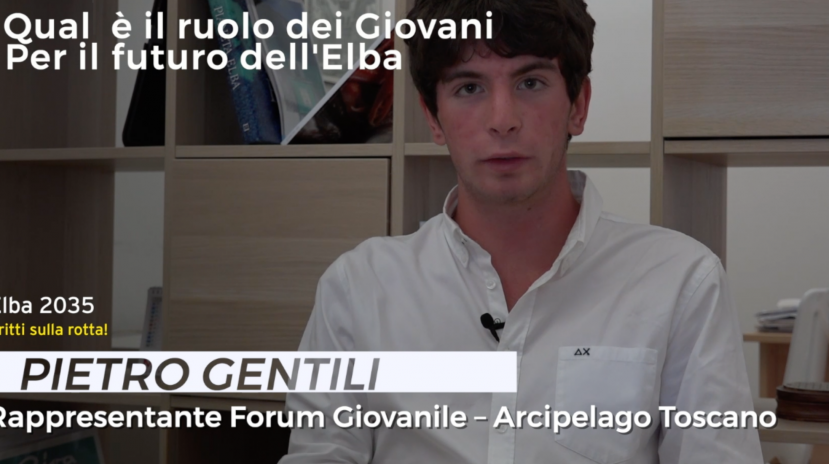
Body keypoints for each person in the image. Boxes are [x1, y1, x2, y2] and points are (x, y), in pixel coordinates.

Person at [279, 0, 763, 462]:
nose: (502, 121)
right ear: (433, 118)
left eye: (530, 82)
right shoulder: (359, 286)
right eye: (469, 88)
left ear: (578, 105)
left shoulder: (681, 282)